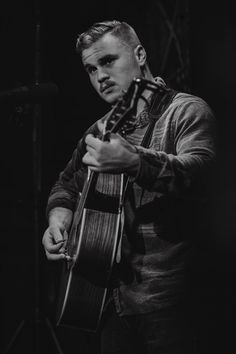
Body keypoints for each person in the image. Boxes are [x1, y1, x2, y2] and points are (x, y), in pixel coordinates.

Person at [42, 20, 216, 354]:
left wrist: (135, 161)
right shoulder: (101, 130)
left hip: (172, 301)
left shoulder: (186, 111)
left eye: (108, 61)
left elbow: (204, 174)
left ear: (139, 54)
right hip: (110, 302)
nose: (100, 76)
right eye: (91, 69)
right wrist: (58, 218)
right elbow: (66, 185)